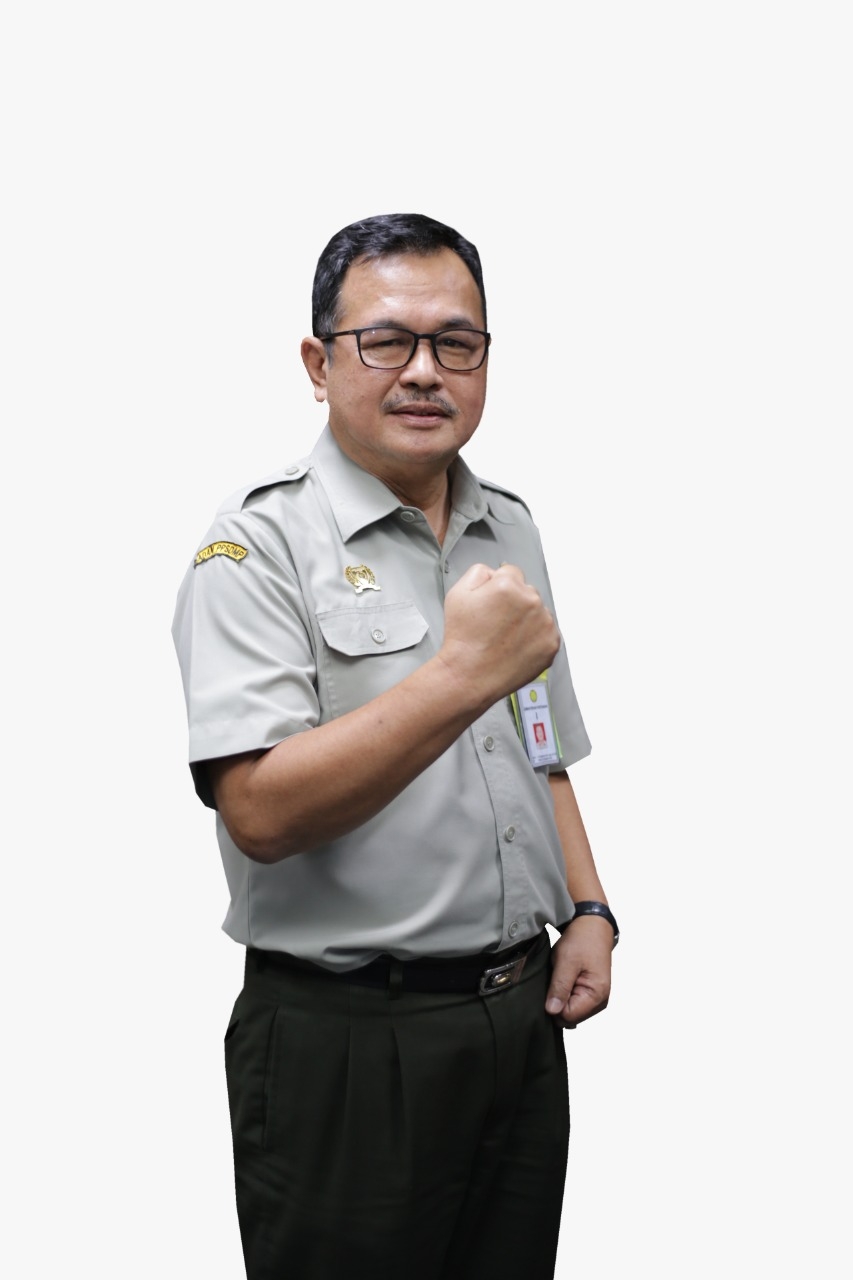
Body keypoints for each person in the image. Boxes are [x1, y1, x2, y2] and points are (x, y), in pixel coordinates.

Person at [172, 211, 617, 1280]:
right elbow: (259, 812)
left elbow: (540, 743)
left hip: (518, 1019)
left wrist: (590, 907)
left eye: (455, 343)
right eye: (386, 341)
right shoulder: (256, 545)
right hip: (348, 1041)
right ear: (318, 363)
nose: (424, 371)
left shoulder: (507, 525)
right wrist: (459, 673)